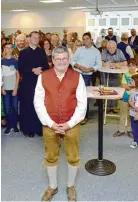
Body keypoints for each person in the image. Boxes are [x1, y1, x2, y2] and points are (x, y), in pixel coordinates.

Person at [34, 46, 87, 202]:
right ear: (53, 61)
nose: (62, 61)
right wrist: (49, 123)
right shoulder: (43, 77)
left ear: (69, 60)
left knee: (73, 156)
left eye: (65, 58)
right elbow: (38, 102)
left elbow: (82, 104)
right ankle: (52, 186)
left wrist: (70, 124)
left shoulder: (78, 77)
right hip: (50, 124)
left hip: (71, 124)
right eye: (58, 59)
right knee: (51, 156)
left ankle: (70, 186)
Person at [18, 31, 49, 137]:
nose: (36, 39)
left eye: (37, 38)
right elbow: (21, 68)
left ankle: (38, 128)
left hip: (39, 82)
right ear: (29, 39)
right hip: (27, 82)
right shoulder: (23, 52)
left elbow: (46, 66)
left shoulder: (41, 51)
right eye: (34, 37)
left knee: (39, 105)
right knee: (28, 105)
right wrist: (32, 70)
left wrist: (40, 69)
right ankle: (28, 129)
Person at [70, 32, 102, 125]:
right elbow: (72, 60)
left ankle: (85, 116)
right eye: (83, 39)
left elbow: (99, 64)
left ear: (91, 39)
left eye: (87, 39)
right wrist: (78, 66)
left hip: (87, 75)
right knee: (75, 95)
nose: (85, 41)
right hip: (77, 74)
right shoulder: (79, 50)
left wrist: (91, 68)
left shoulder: (96, 51)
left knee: (84, 96)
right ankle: (75, 115)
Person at [113, 58, 138, 137]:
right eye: (129, 66)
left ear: (136, 66)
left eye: (133, 66)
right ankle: (121, 130)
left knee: (131, 115)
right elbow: (123, 85)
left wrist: (131, 86)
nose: (131, 67)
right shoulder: (125, 74)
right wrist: (130, 86)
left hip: (134, 98)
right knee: (123, 114)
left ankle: (130, 130)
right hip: (125, 97)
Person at [102, 40, 127, 113]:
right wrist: (108, 64)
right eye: (109, 48)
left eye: (112, 48)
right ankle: (107, 106)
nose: (111, 49)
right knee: (107, 90)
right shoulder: (104, 52)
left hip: (116, 74)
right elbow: (101, 62)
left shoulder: (119, 52)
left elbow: (125, 62)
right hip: (106, 75)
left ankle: (114, 107)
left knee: (115, 90)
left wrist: (116, 64)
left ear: (116, 47)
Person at [1, 43, 20, 134]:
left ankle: (15, 125)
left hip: (14, 89)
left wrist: (16, 88)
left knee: (15, 107)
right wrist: (1, 88)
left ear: (12, 49)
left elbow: (17, 75)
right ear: (4, 49)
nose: (8, 50)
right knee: (7, 108)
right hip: (5, 89)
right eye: (6, 48)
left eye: (10, 48)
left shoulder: (15, 60)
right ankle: (9, 126)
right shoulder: (1, 61)